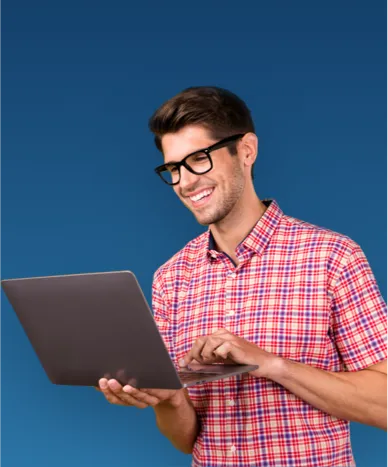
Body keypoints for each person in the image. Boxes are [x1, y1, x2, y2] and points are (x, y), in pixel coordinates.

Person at [97, 86, 388, 467]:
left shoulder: (331, 257)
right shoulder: (171, 278)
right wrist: (169, 399)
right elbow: (186, 440)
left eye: (199, 159)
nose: (185, 182)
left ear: (246, 150)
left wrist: (271, 364)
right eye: (173, 169)